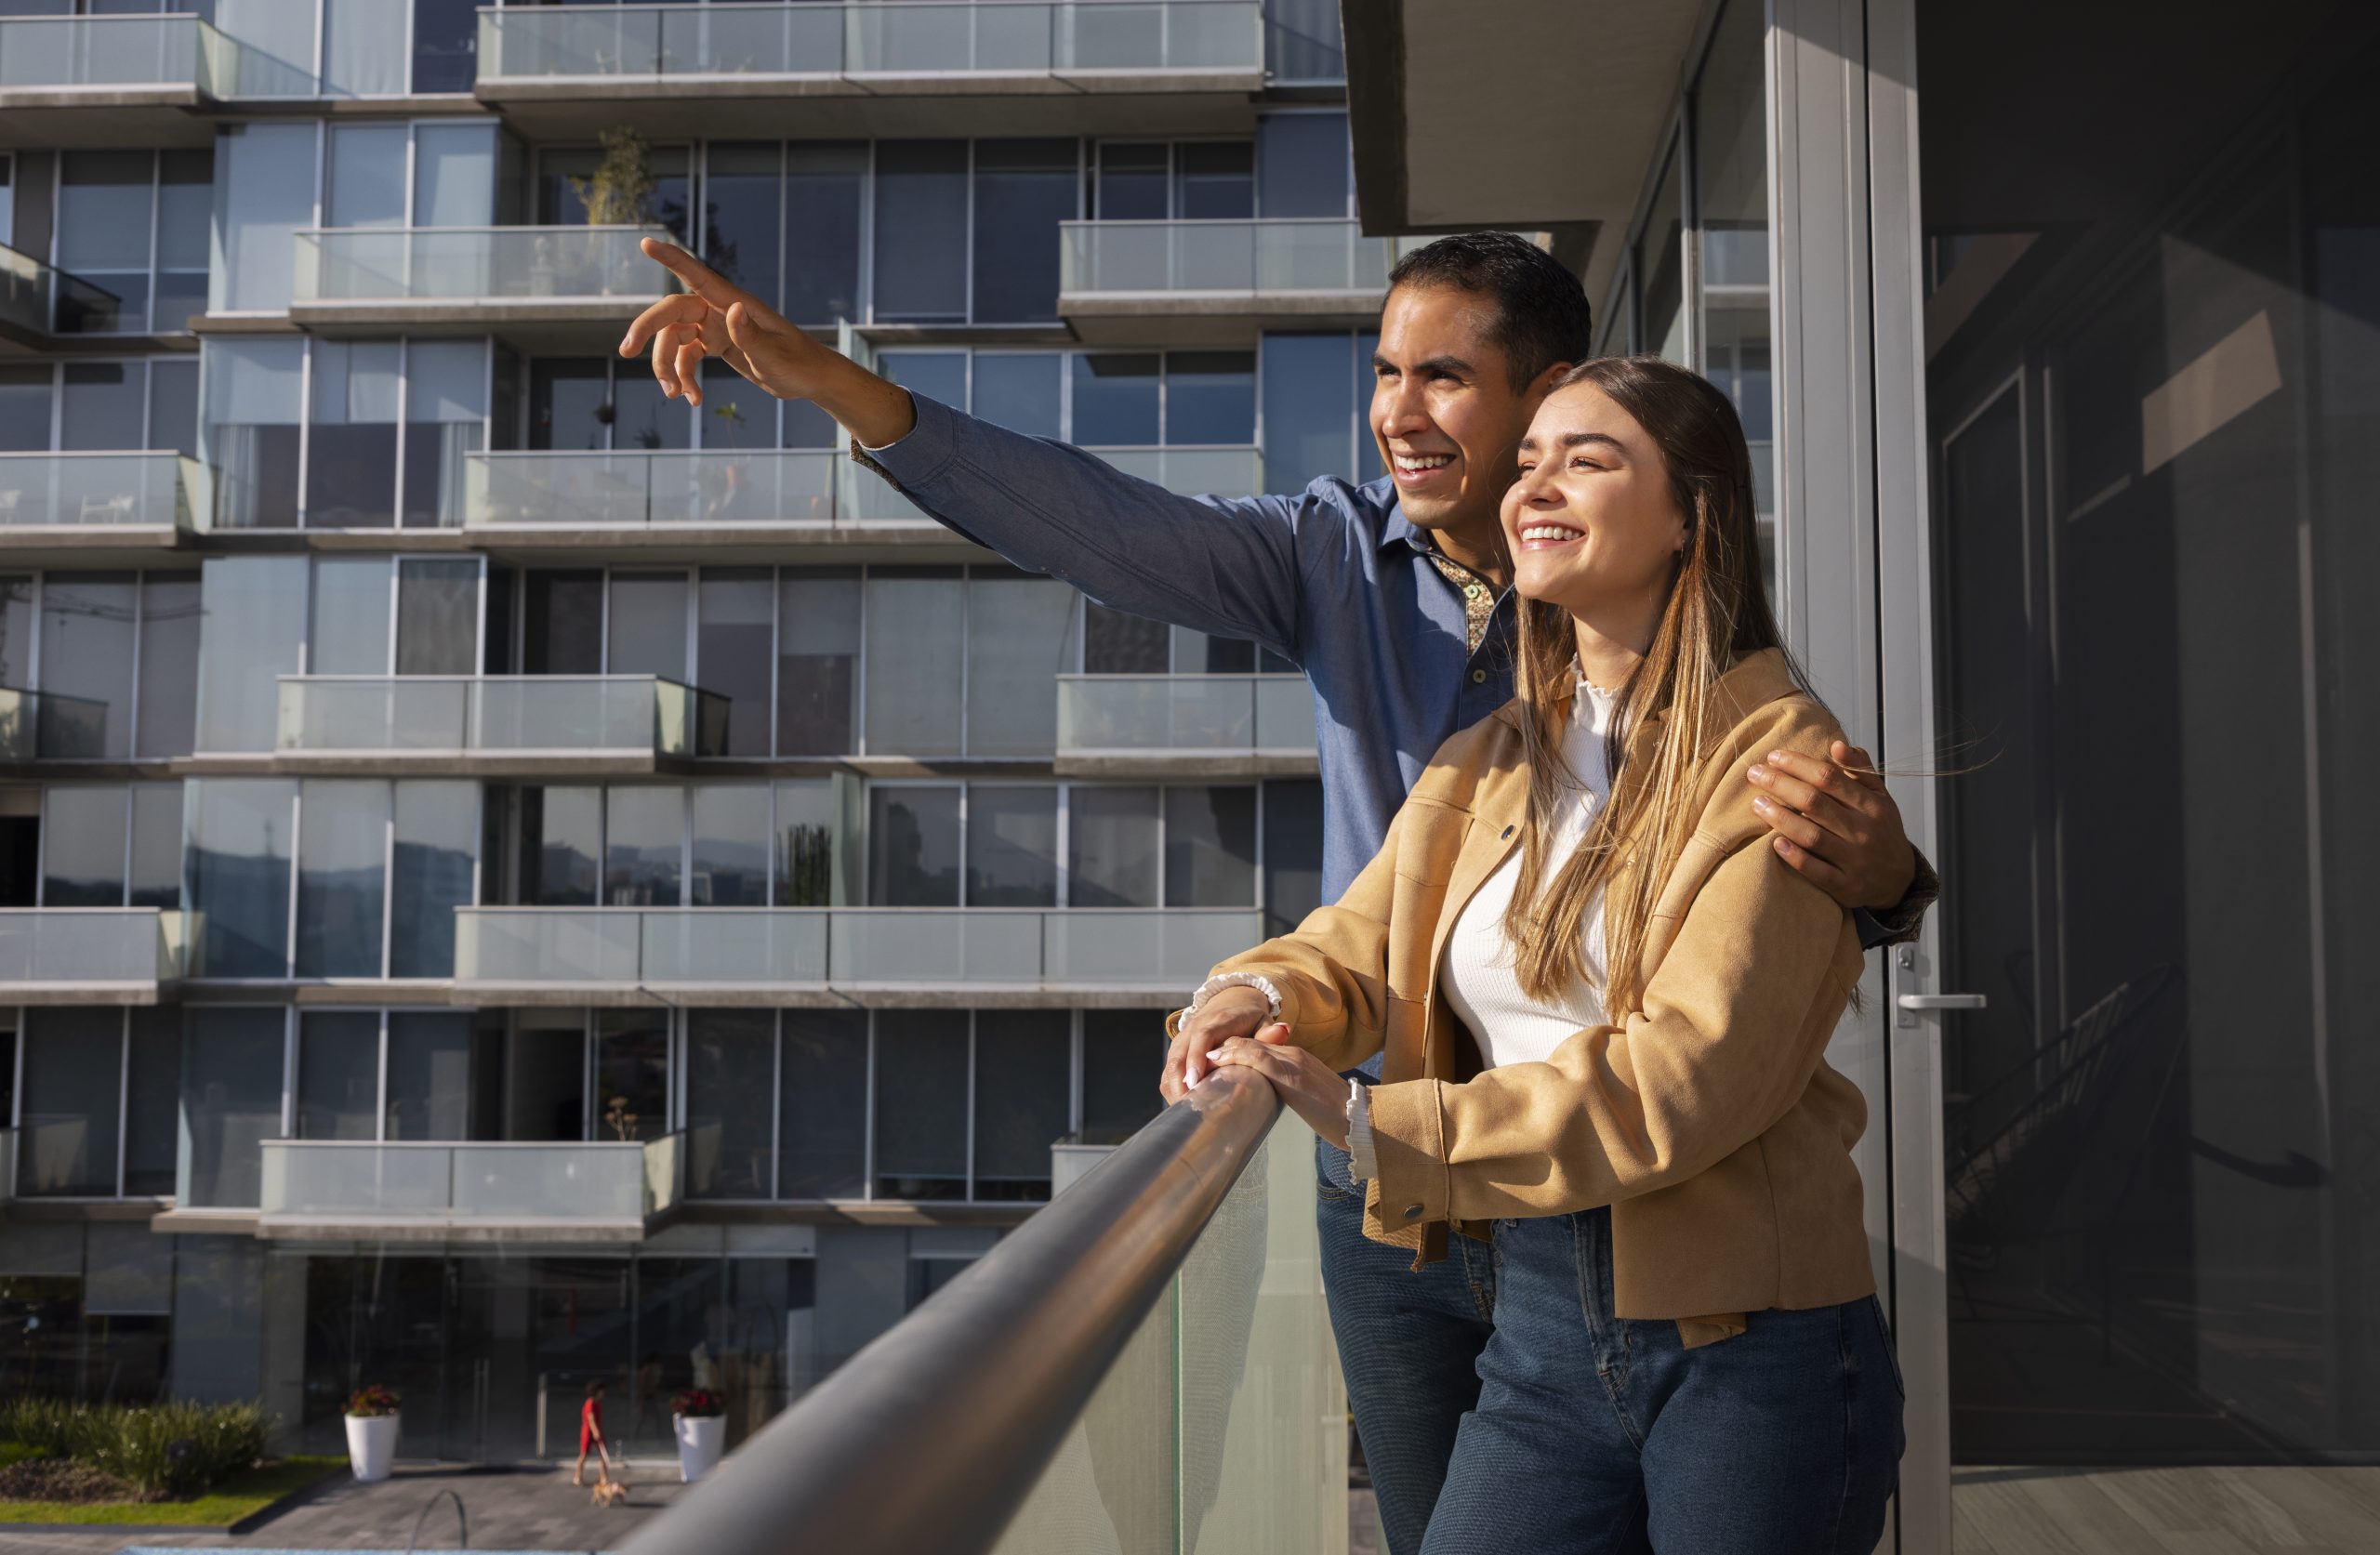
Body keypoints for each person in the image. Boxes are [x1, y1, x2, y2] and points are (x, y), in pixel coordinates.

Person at [619, 234, 1932, 1554]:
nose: (1397, 412)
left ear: (1559, 403)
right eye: (1385, 373)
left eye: (1445, 378)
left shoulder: (1735, 725)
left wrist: (1887, 882)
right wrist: (1258, 989)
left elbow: (1718, 999)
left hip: (1677, 1247)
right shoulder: (1386, 613)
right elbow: (1109, 538)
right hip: (1411, 1200)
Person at [1179, 356, 1904, 1552]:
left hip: (1749, 1344)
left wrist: (1379, 1125)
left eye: (1587, 459)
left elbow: (1684, 1077)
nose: (1533, 487)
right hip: (1542, 1319)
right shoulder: (1494, 753)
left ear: (1689, 515)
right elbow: (1360, 942)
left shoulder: (1779, 762)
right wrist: (1253, 991)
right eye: (1527, 462)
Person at [575, 1377, 612, 1488]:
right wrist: (595, 1431)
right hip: (588, 1432)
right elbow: (591, 1419)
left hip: (598, 1431)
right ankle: (577, 1476)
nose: (603, 1393)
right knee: (584, 1454)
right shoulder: (590, 1403)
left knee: (603, 1454)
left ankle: (603, 1477)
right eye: (601, 1391)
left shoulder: (599, 1403)